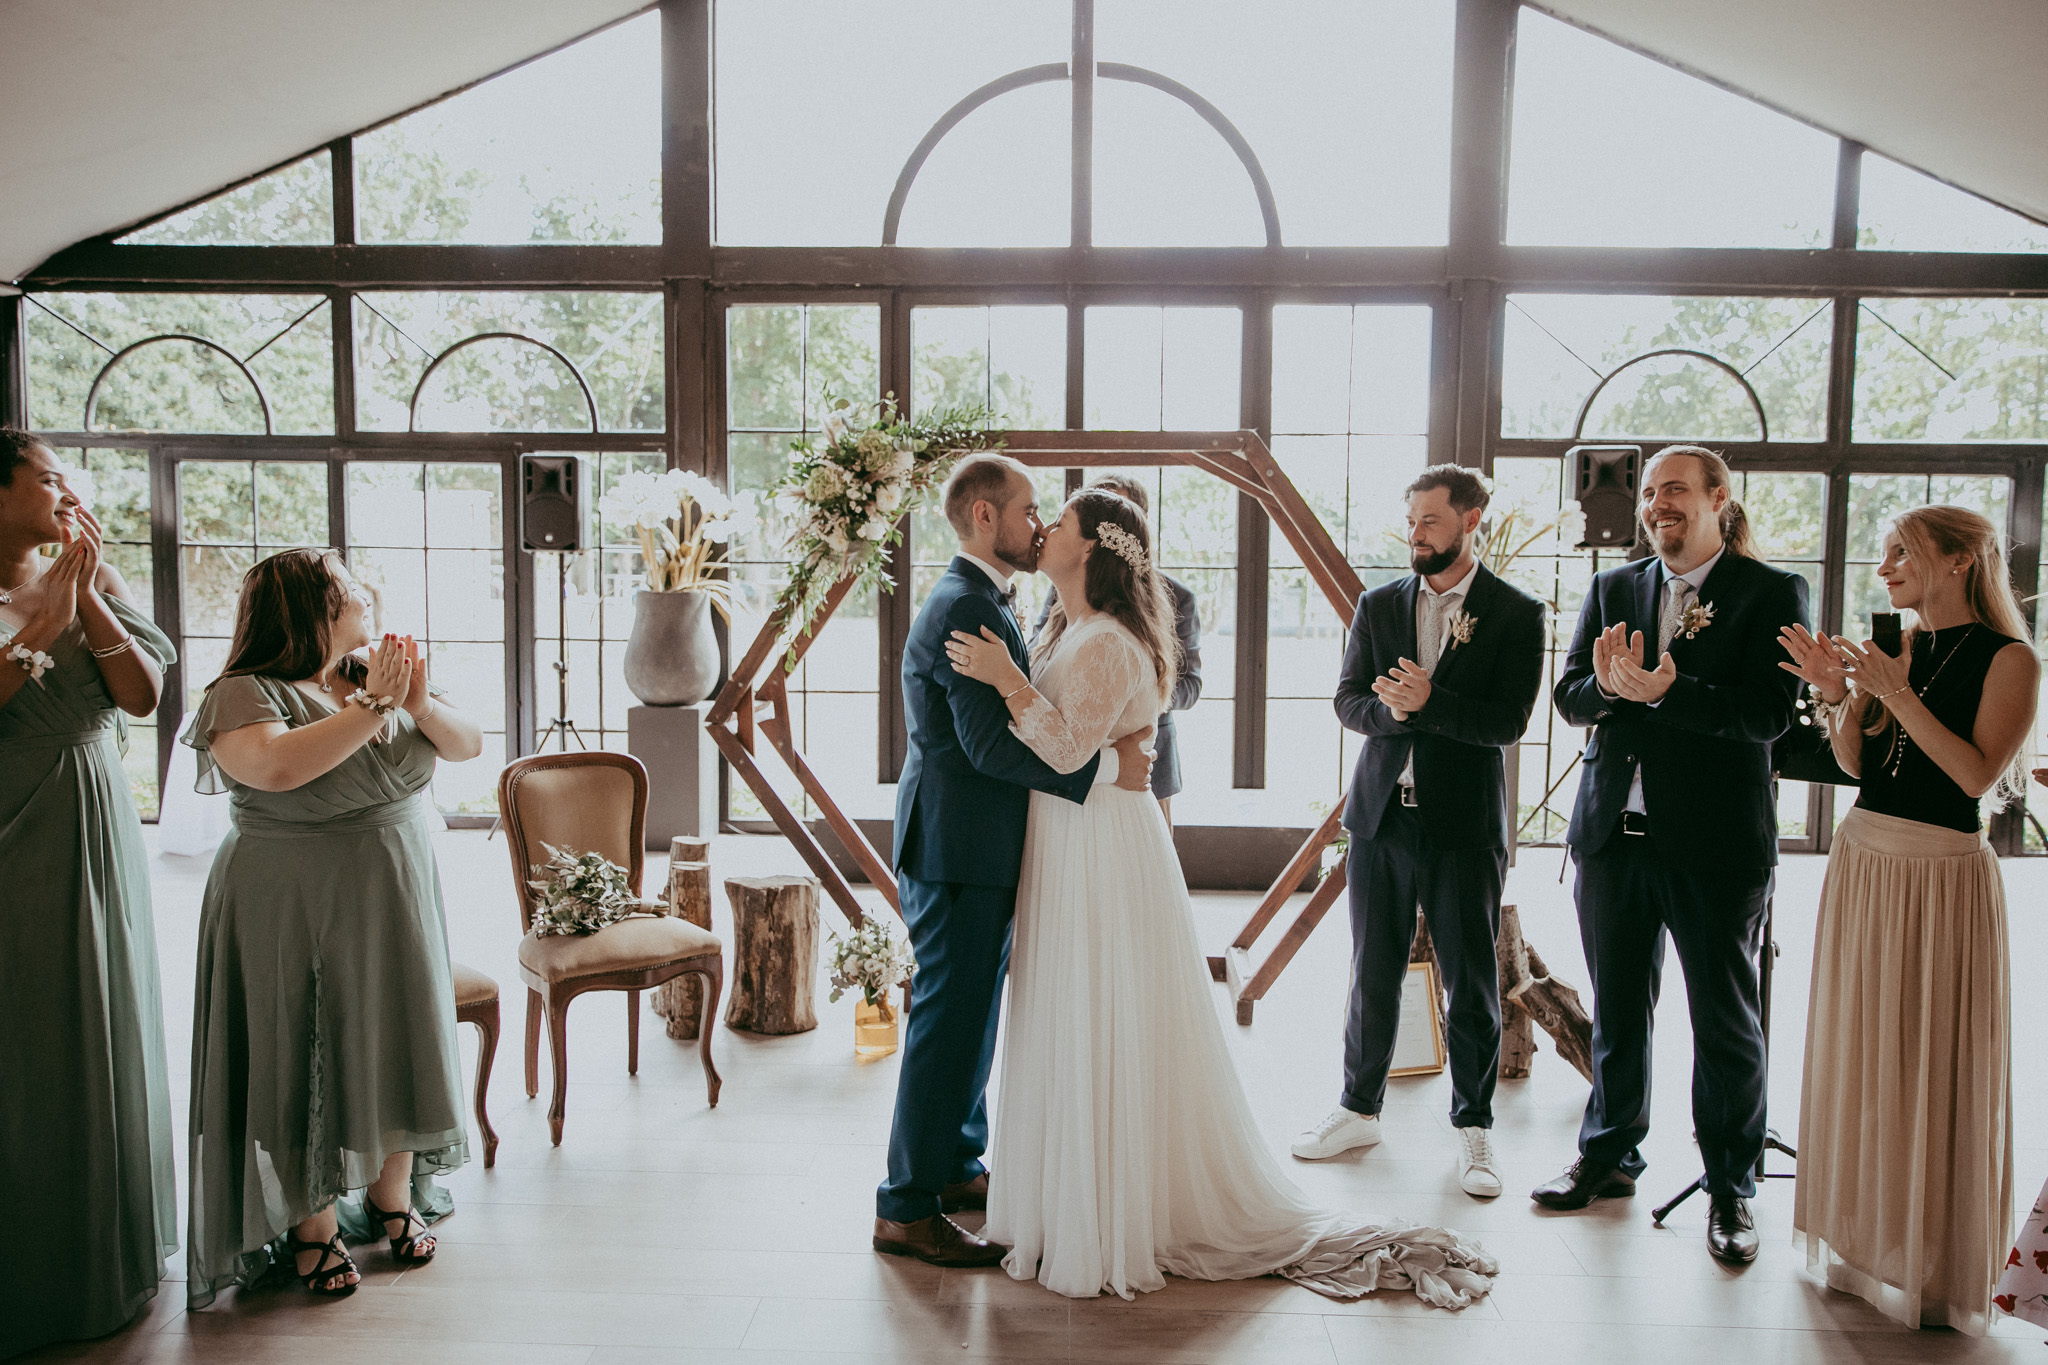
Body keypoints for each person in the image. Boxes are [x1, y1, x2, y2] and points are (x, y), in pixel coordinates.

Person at [946, 485, 1497, 1305]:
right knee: (1075, 1013)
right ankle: (1076, 1198)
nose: (1045, 527)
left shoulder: (1109, 641)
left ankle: (1110, 1211)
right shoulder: (1067, 628)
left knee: (1103, 1015)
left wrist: (1003, 678)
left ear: (1093, 548)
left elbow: (1063, 749)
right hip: (1072, 843)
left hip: (1102, 854)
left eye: (1059, 520)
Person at [875, 454, 1156, 1268]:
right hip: (958, 846)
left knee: (972, 1020)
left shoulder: (994, 600)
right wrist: (1104, 767)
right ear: (987, 519)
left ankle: (958, 1166)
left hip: (976, 845)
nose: (1040, 524)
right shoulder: (970, 606)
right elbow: (988, 745)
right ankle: (906, 1205)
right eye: (1032, 509)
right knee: (947, 1022)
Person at [182, 548, 484, 1304]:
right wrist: (373, 707)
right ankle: (311, 1228)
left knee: (392, 1037)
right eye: (349, 590)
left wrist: (414, 700)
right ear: (305, 609)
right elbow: (279, 769)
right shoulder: (243, 691)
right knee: (298, 1045)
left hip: (392, 888)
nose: (367, 597)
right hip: (290, 898)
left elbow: (468, 743)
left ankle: (392, 1198)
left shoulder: (368, 675)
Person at [1537, 444, 1808, 1267]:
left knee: (1725, 1019)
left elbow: (1770, 716)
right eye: (1651, 492)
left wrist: (1672, 692)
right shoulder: (1615, 587)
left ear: (1719, 500)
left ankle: (1731, 1184)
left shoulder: (1770, 591)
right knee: (1619, 1007)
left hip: (1717, 843)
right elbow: (1570, 694)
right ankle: (1611, 1150)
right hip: (1612, 836)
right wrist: (1611, 689)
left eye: (1676, 490)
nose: (1658, 503)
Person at [1779, 504, 2035, 1333]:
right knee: (1862, 1052)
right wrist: (1836, 696)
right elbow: (1860, 765)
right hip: (1866, 860)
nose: (1885, 565)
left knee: (1930, 1058)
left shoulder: (2014, 660)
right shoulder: (1904, 648)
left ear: (1962, 560)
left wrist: (1892, 690)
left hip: (1940, 874)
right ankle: (1866, 1246)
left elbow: (1971, 777)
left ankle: (1931, 1263)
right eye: (1885, 552)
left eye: (1904, 551)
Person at [1292, 465, 1546, 1200]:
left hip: (1464, 827)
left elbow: (1507, 722)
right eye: (1411, 521)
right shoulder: (1378, 604)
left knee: (1471, 980)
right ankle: (1357, 1108)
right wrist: (1395, 714)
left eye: (1430, 521)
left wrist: (1430, 703)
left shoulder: (1514, 613)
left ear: (1472, 522)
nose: (1416, 534)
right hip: (1380, 820)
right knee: (1372, 969)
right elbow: (1348, 700)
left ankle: (1474, 1126)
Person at [0, 430, 178, 1357]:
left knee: (97, 1012)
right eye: (46, 476)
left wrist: (94, 599)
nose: (66, 488)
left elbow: (142, 698)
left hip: (94, 813)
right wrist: (37, 626)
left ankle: (104, 1257)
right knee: (25, 1030)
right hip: (14, 827)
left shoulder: (93, 577)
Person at [1032, 474, 1203, 824]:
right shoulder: (1064, 595)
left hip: (1141, 758)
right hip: (1060, 791)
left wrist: (1122, 695)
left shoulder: (1169, 602)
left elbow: (1189, 684)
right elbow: (1039, 653)